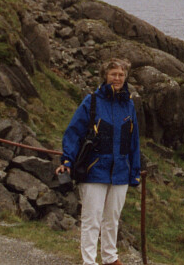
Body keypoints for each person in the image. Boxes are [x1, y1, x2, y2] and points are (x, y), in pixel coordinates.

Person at [57, 57, 141, 265]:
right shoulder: (92, 101)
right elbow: (74, 132)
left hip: (120, 171)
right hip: (94, 170)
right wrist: (67, 160)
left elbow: (134, 141)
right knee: (91, 219)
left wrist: (135, 171)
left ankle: (110, 257)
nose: (117, 78)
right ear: (105, 75)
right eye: (113, 74)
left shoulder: (128, 104)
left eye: (121, 74)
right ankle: (89, 261)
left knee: (112, 219)